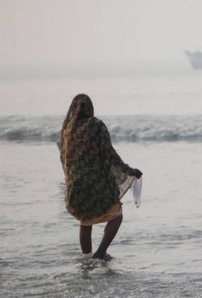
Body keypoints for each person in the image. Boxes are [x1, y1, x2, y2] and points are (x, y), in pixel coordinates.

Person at [59, 94, 142, 260]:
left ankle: (87, 257)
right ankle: (100, 252)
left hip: (77, 184)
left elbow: (63, 157)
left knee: (85, 220)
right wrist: (129, 170)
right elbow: (109, 154)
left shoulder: (68, 130)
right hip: (98, 182)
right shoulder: (95, 125)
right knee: (116, 215)